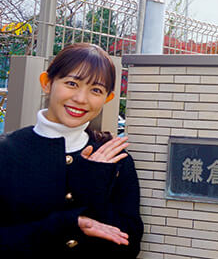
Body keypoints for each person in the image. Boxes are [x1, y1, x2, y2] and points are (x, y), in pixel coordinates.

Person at [0, 43, 143, 258]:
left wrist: (93, 188)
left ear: (107, 98)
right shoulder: (7, 152)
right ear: (47, 83)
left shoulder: (114, 159)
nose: (81, 99)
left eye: (96, 90)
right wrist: (63, 224)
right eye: (72, 83)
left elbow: (129, 246)